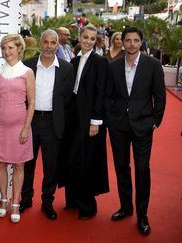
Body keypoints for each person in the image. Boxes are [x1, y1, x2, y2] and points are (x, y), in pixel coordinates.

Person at [106, 27, 166, 235]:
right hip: (118, 125)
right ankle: (125, 207)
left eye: (136, 40)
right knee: (121, 167)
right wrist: (111, 119)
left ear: (141, 42)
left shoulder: (153, 65)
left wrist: (154, 121)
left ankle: (142, 215)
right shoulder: (113, 67)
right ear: (122, 42)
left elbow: (159, 97)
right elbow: (108, 95)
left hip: (143, 125)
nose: (131, 44)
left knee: (142, 169)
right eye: (128, 40)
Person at [20, 29, 75, 220]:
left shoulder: (67, 68)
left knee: (51, 166)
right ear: (40, 43)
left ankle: (47, 202)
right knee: (28, 164)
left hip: (53, 123)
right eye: (46, 42)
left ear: (58, 44)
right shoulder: (27, 66)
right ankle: (26, 199)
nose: (49, 47)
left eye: (54, 43)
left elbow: (67, 99)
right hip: (31, 121)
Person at [63, 24, 109, 219]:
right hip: (73, 118)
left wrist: (95, 121)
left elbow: (101, 93)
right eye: (85, 37)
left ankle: (87, 207)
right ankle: (72, 200)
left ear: (95, 41)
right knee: (71, 159)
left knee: (86, 162)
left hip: (90, 120)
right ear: (79, 38)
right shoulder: (74, 61)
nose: (88, 41)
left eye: (92, 39)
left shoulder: (100, 62)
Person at [0, 34, 35, 223]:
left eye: (10, 48)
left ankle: (15, 202)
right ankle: (3, 199)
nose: (7, 52)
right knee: (0, 163)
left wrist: (26, 127)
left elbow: (32, 102)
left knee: (18, 165)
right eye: (4, 48)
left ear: (19, 49)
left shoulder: (27, 72)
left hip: (19, 126)